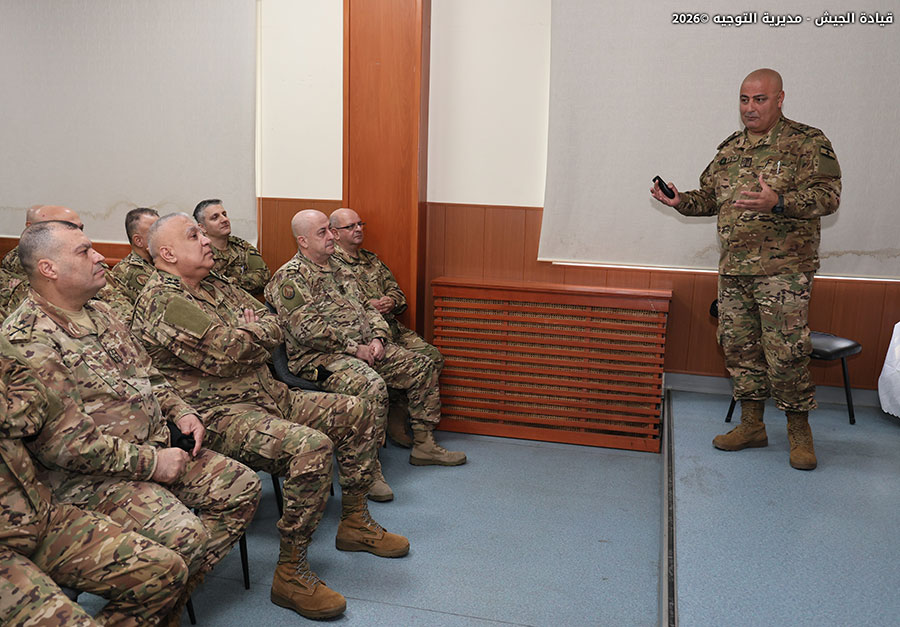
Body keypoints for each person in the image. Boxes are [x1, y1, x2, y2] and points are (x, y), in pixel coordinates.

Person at [131, 212, 409, 620]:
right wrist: (250, 336)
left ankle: (355, 523)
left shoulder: (216, 283)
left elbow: (273, 323)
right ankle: (291, 573)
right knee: (310, 447)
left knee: (358, 411)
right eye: (194, 235)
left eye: (204, 234)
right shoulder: (165, 300)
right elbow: (225, 352)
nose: (206, 240)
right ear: (168, 253)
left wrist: (249, 334)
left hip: (269, 395)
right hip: (221, 415)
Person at [2, 220, 261, 621]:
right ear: (48, 269)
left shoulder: (101, 312)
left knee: (242, 487)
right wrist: (154, 464)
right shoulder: (28, 339)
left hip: (155, 446)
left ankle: (166, 602)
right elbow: (67, 446)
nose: (100, 257)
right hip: (92, 479)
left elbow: (148, 374)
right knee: (186, 538)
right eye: (84, 251)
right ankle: (159, 599)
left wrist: (180, 410)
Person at [651, 68, 841, 470]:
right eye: (744, 99)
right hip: (735, 270)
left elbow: (828, 196)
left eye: (759, 99)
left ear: (780, 99)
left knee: (786, 353)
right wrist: (680, 201)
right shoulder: (730, 148)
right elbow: (710, 197)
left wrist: (779, 202)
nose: (750, 108)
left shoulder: (807, 142)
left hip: (784, 272)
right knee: (740, 350)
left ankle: (799, 434)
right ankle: (752, 426)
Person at [265, 210, 466, 484]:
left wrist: (378, 338)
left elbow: (368, 309)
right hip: (319, 360)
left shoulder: (340, 269)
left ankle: (424, 444)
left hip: (362, 347)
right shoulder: (290, 278)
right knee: (372, 386)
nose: (331, 236)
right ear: (303, 241)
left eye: (330, 229)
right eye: (322, 232)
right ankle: (367, 471)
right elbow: (308, 330)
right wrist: (353, 348)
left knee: (421, 366)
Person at [0, 335, 188, 626]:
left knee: (165, 571)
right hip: (20, 529)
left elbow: (34, 403)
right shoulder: (28, 333)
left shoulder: (100, 315)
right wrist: (151, 462)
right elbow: (47, 431)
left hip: (38, 513)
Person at [330, 207, 445, 447]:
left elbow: (398, 293)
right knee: (414, 365)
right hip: (364, 335)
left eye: (360, 224)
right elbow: (337, 310)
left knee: (433, 357)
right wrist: (367, 307)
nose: (358, 229)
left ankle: (398, 411)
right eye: (350, 226)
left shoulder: (371, 260)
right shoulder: (331, 265)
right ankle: (406, 426)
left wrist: (391, 301)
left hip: (390, 327)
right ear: (335, 233)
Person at [3, 205, 134, 321]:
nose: (76, 232)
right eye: (65, 227)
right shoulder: (26, 268)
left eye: (80, 228)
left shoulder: (99, 309)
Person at [193, 199, 270, 295]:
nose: (224, 220)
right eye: (215, 217)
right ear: (202, 227)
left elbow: (264, 275)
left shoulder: (242, 246)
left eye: (224, 214)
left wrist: (233, 281)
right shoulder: (198, 251)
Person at [111, 207, 160, 303]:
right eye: (155, 232)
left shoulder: (157, 260)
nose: (163, 236)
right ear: (138, 241)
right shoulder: (132, 271)